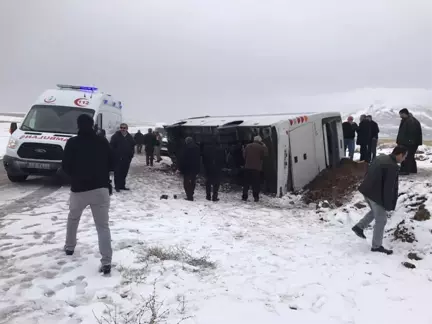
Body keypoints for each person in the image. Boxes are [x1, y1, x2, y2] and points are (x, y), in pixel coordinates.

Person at [61, 114, 114, 275]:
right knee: (102, 227)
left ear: (78, 125)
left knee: (73, 218)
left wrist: (76, 177)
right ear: (93, 125)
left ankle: (70, 247)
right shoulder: (102, 141)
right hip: (101, 189)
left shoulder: (72, 143)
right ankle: (106, 262)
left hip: (79, 190)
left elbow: (65, 166)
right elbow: (112, 163)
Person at [352, 145, 408, 255]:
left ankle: (359, 227)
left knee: (375, 212)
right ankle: (376, 246)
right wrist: (388, 205)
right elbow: (389, 188)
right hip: (375, 194)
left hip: (366, 190)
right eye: (405, 156)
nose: (404, 159)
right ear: (400, 155)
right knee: (381, 219)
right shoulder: (392, 166)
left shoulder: (380, 158)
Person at [396, 108, 422, 175]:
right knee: (410, 156)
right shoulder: (407, 120)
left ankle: (405, 170)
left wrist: (408, 142)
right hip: (409, 142)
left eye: (401, 114)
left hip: (409, 143)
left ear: (404, 113)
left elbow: (412, 133)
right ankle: (412, 169)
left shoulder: (411, 121)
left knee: (406, 156)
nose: (400, 116)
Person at [242, 136, 268, 202]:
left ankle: (244, 196)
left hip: (247, 167)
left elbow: (244, 155)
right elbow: (265, 154)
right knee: (255, 183)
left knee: (246, 183)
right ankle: (256, 197)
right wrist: (264, 146)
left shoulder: (248, 146)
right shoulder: (261, 147)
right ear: (260, 141)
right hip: (256, 168)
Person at [110, 123, 135, 192]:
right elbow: (111, 146)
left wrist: (131, 155)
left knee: (124, 172)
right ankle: (117, 186)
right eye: (121, 128)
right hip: (117, 158)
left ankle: (122, 185)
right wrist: (114, 155)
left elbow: (133, 146)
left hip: (126, 158)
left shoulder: (130, 137)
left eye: (124, 128)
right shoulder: (115, 136)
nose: (123, 129)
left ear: (127, 129)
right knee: (117, 172)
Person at [202, 137, 226, 201]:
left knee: (208, 182)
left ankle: (208, 196)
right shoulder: (221, 149)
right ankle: (214, 196)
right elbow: (223, 159)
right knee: (216, 183)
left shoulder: (206, 149)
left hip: (209, 168)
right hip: (217, 168)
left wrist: (205, 166)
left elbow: (204, 159)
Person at [179, 137, 201, 201]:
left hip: (187, 168)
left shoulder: (185, 148)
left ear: (187, 141)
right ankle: (191, 192)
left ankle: (189, 196)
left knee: (186, 183)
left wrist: (180, 168)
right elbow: (198, 159)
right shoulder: (197, 148)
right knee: (192, 181)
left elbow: (182, 159)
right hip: (194, 168)